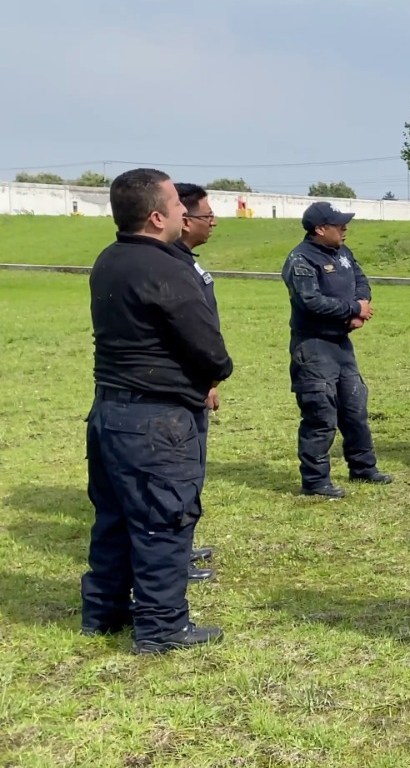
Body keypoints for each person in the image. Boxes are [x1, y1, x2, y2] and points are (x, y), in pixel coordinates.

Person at [81, 168, 233, 654]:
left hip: (109, 412)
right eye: (176, 204)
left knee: (115, 519)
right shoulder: (167, 268)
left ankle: (103, 613)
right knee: (162, 521)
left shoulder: (109, 259)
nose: (183, 212)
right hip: (156, 421)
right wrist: (217, 370)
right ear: (155, 216)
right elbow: (208, 349)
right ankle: (162, 626)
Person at [281, 202, 392, 498]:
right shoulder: (301, 259)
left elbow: (361, 281)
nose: (345, 229)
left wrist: (360, 307)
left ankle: (363, 467)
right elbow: (310, 301)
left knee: (355, 407)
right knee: (321, 412)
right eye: (338, 225)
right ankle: (316, 481)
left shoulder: (343, 253)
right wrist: (352, 308)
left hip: (341, 344)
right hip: (313, 345)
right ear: (320, 229)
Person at [173, 183, 223, 582]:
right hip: (176, 391)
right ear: (183, 219)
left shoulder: (189, 263)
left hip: (196, 383)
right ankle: (175, 556)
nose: (214, 222)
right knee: (180, 473)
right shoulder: (171, 268)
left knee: (193, 471)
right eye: (208, 216)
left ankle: (183, 546)